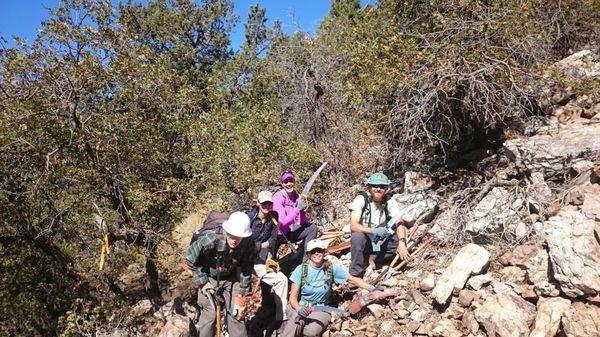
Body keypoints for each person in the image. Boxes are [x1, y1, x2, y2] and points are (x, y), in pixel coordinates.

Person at [281, 239, 378, 337]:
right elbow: (292, 297)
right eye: (313, 251)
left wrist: (372, 288)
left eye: (319, 250)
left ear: (324, 252)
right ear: (308, 254)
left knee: (311, 332)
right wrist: (299, 308)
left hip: (320, 308)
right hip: (300, 305)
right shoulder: (301, 269)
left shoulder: (331, 268)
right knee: (296, 320)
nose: (316, 253)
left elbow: (352, 280)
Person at [186, 211, 256, 337]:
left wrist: (242, 293)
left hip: (232, 277)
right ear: (227, 231)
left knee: (236, 313)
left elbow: (247, 268)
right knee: (209, 315)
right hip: (209, 276)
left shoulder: (249, 243)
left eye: (238, 237)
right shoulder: (210, 238)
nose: (234, 240)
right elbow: (191, 258)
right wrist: (202, 282)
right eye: (232, 236)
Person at [348, 172, 411, 278]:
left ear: (386, 188)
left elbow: (399, 222)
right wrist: (373, 231)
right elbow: (353, 226)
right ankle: (355, 273)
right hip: (366, 238)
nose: (378, 189)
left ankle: (374, 258)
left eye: (382, 186)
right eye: (375, 186)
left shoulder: (389, 201)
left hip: (382, 239)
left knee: (399, 244)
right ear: (369, 187)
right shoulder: (361, 199)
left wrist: (402, 243)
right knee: (357, 237)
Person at [246, 190, 289, 322]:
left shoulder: (273, 218)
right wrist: (261, 246)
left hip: (260, 260)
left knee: (281, 279)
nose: (266, 206)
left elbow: (272, 240)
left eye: (269, 204)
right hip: (243, 260)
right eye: (264, 203)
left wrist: (270, 259)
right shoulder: (249, 219)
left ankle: (281, 317)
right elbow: (244, 245)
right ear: (258, 203)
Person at [272, 171, 318, 260]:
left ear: (294, 182)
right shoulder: (278, 197)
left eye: (291, 181)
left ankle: (307, 261)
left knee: (312, 228)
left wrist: (302, 211)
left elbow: (301, 222)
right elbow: (282, 222)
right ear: (282, 184)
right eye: (286, 182)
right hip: (275, 235)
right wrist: (297, 210)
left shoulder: (296, 197)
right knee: (269, 261)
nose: (289, 184)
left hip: (287, 233)